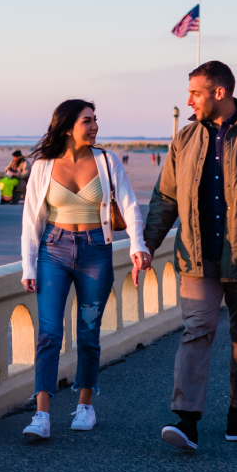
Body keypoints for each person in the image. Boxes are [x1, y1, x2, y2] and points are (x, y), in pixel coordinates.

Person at [143, 61, 237, 451]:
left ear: (219, 92)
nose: (188, 100)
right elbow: (165, 197)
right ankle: (187, 420)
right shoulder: (185, 139)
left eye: (195, 92)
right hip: (197, 258)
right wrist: (146, 244)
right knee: (196, 332)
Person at [20, 100, 149, 440]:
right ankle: (42, 414)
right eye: (87, 121)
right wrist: (28, 265)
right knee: (49, 333)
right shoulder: (45, 165)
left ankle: (85, 406)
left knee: (89, 331)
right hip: (54, 251)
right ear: (66, 127)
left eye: (95, 120)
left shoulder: (106, 161)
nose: (94, 127)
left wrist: (138, 246)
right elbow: (31, 218)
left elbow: (131, 205)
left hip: (96, 252)